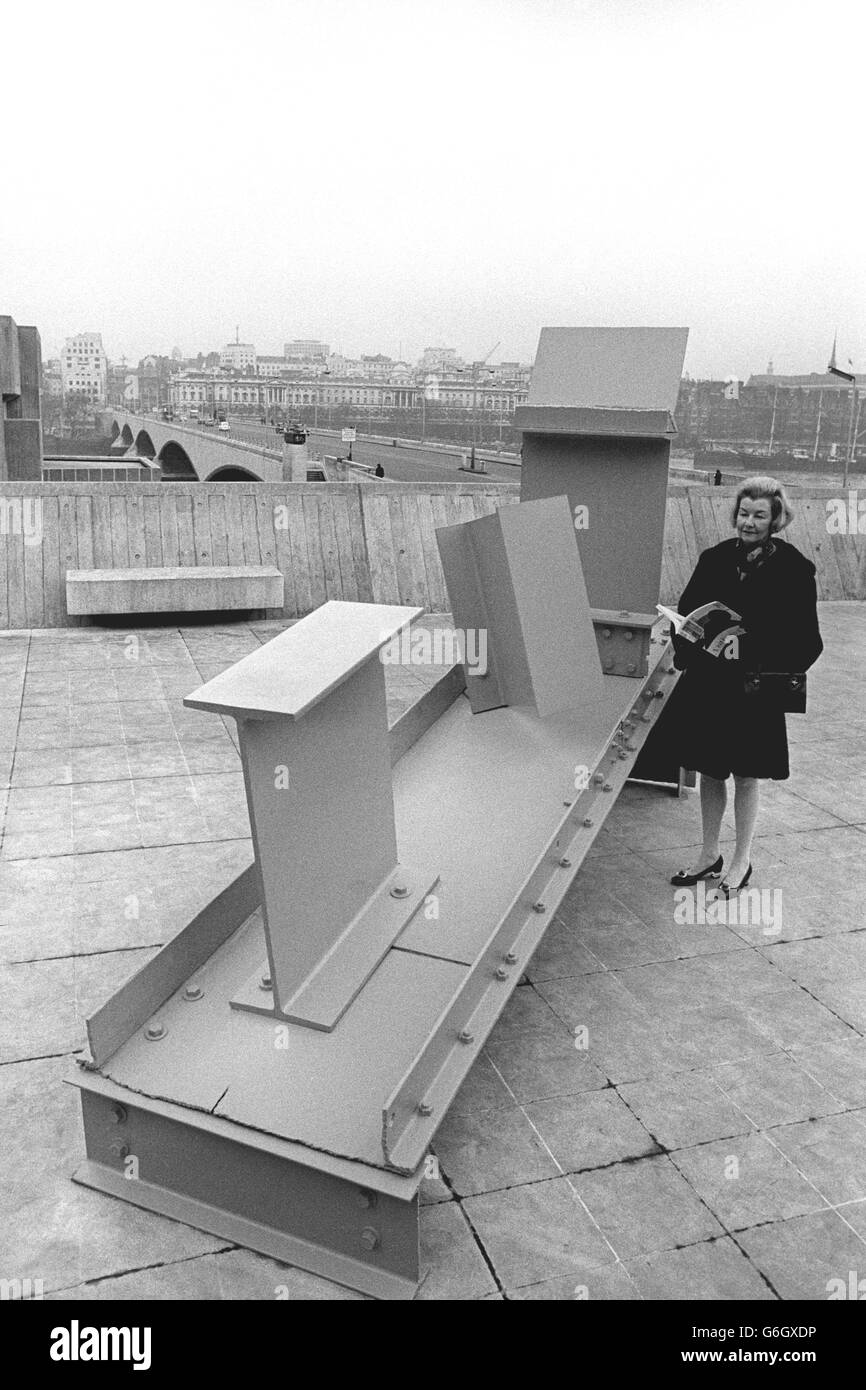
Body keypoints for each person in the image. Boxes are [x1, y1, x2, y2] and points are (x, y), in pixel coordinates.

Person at [668, 476, 822, 895]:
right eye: (743, 513)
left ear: (776, 520)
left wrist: (755, 654)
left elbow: (808, 639)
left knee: (747, 776)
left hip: (754, 691)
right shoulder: (714, 558)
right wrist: (691, 640)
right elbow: (687, 614)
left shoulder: (794, 569)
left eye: (759, 515)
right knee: (710, 770)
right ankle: (708, 854)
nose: (748, 522)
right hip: (711, 686)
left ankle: (741, 860)